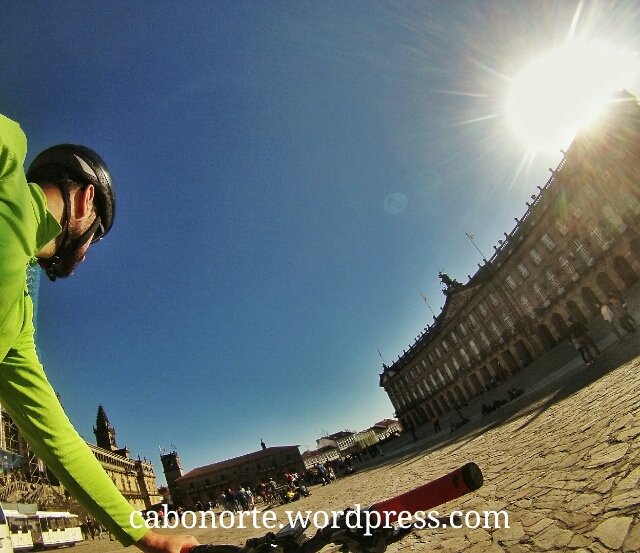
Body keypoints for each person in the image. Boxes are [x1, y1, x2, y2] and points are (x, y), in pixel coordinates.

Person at [0, 114, 198, 553]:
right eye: (97, 238)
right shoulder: (7, 160)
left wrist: (145, 535)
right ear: (87, 199)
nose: (86, 256)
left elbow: (59, 440)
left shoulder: (17, 321)